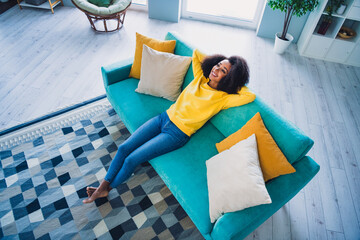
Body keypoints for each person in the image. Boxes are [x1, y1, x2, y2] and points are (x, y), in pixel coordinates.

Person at [83, 49, 256, 204]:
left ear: (230, 78)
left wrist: (234, 79)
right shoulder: (200, 78)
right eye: (217, 65)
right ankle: (102, 189)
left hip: (176, 134)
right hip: (163, 118)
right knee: (123, 148)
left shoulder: (223, 98)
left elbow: (250, 96)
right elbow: (196, 54)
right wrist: (224, 62)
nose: (215, 70)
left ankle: (105, 189)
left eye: (222, 71)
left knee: (132, 159)